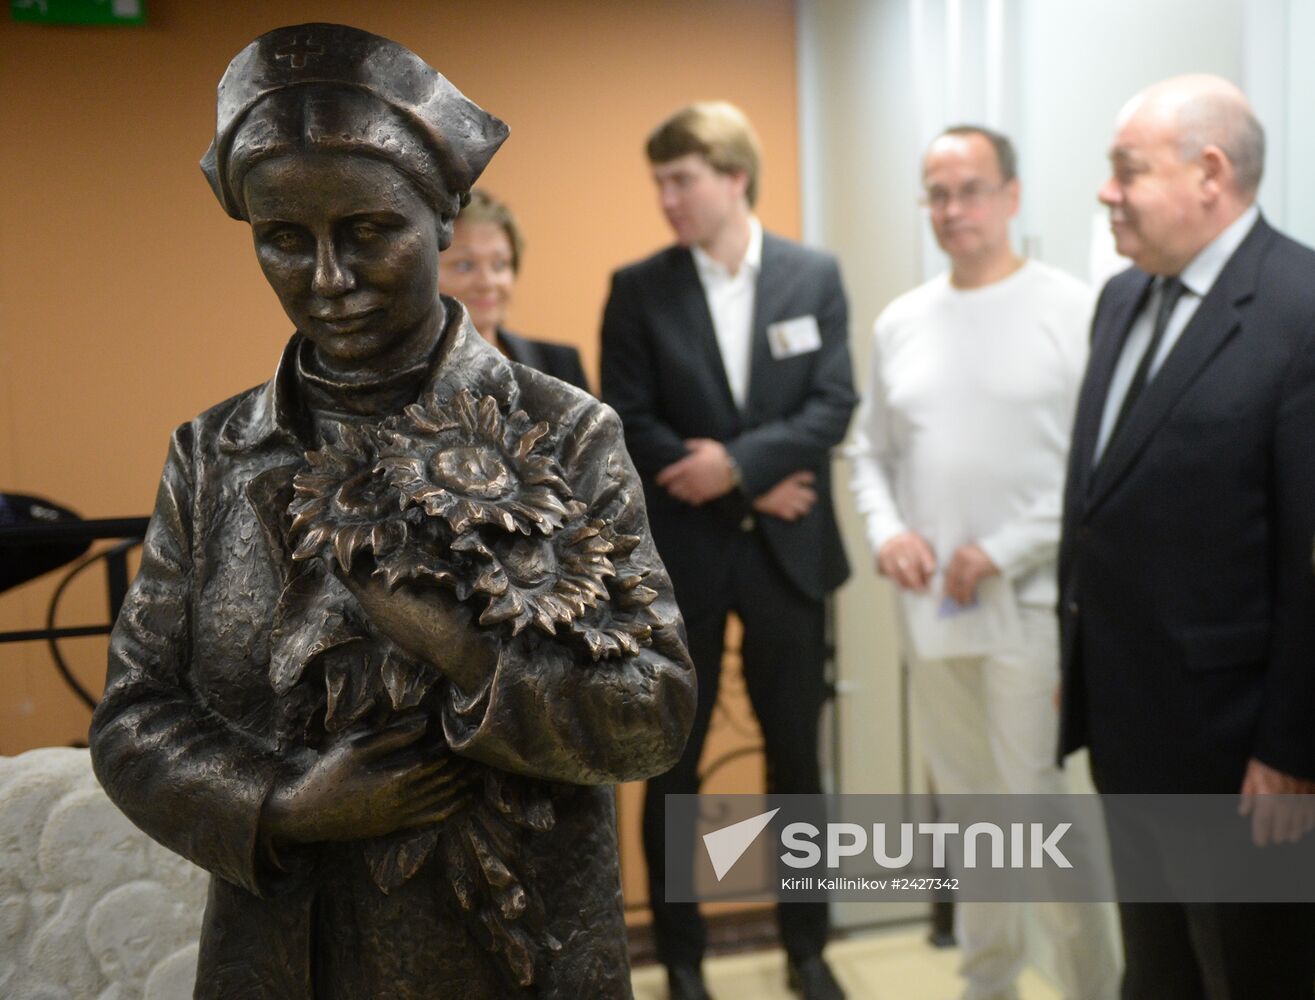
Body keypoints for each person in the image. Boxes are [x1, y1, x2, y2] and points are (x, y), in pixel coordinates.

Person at [88, 23, 696, 1000]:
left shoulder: (562, 432)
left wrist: (457, 647)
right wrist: (282, 806)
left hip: (515, 954)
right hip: (285, 957)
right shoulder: (212, 453)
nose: (326, 279)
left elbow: (651, 716)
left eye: (368, 231)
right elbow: (132, 716)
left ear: (444, 216)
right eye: (285, 239)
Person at [1059, 74, 1315, 998]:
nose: (1105, 191)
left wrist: (1293, 749)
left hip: (1243, 755)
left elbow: (1308, 558)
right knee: (1158, 972)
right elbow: (1096, 500)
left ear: (1209, 173)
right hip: (1129, 723)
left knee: (1250, 973)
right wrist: (1074, 647)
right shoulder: (1122, 299)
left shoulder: (1299, 308)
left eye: (1125, 169)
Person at [849, 125, 1117, 1000]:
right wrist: (889, 532)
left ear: (1010, 195)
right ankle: (988, 981)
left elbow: (1097, 468)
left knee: (1036, 807)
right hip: (931, 611)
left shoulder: (1072, 310)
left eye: (969, 189)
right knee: (967, 809)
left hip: (1030, 604)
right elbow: (869, 455)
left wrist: (998, 550)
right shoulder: (902, 322)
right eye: (936, 192)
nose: (952, 209)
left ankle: (1090, 984)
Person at [600, 101, 855, 1000]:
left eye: (682, 180)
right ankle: (680, 960)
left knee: (798, 763)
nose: (667, 198)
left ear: (733, 177)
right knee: (675, 766)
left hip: (788, 553)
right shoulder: (638, 287)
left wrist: (738, 467)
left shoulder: (811, 275)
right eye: (659, 182)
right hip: (684, 562)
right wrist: (737, 477)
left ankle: (808, 950)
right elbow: (625, 417)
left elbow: (833, 403)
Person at [439, 189, 591, 392]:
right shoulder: (404, 377)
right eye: (464, 265)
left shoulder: (559, 366)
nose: (487, 283)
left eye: (499, 265)